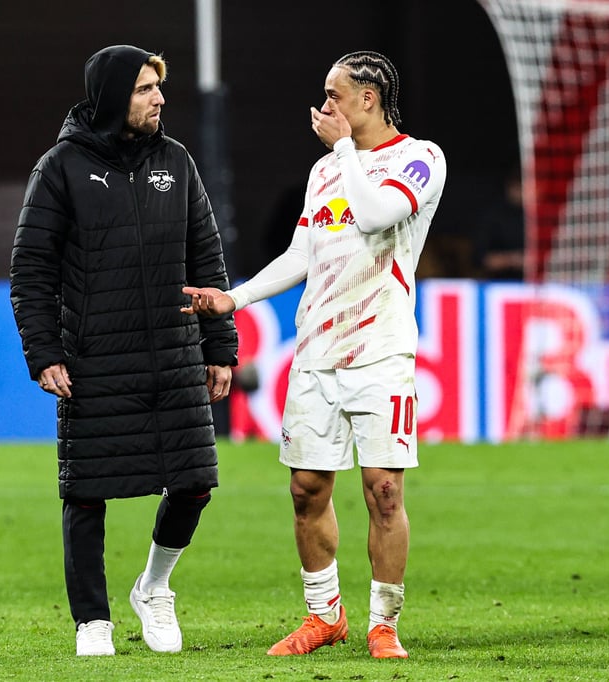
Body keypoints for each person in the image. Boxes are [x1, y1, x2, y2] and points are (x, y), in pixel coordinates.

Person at [182, 50, 447, 659]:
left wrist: (345, 152)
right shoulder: (326, 172)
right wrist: (235, 298)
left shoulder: (419, 157)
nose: (323, 107)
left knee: (383, 491)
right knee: (306, 489)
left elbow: (380, 214)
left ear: (368, 99)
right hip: (316, 352)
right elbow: (303, 254)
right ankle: (325, 615)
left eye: (333, 95)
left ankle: (384, 624)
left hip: (381, 351)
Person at [9, 44, 238, 657]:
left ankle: (154, 588)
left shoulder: (177, 161)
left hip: (174, 352)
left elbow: (207, 257)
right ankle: (92, 621)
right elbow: (31, 268)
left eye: (158, 88)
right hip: (93, 355)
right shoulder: (60, 167)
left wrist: (220, 347)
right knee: (87, 490)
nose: (159, 98)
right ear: (113, 97)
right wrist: (44, 351)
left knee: (193, 482)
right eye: (144, 89)